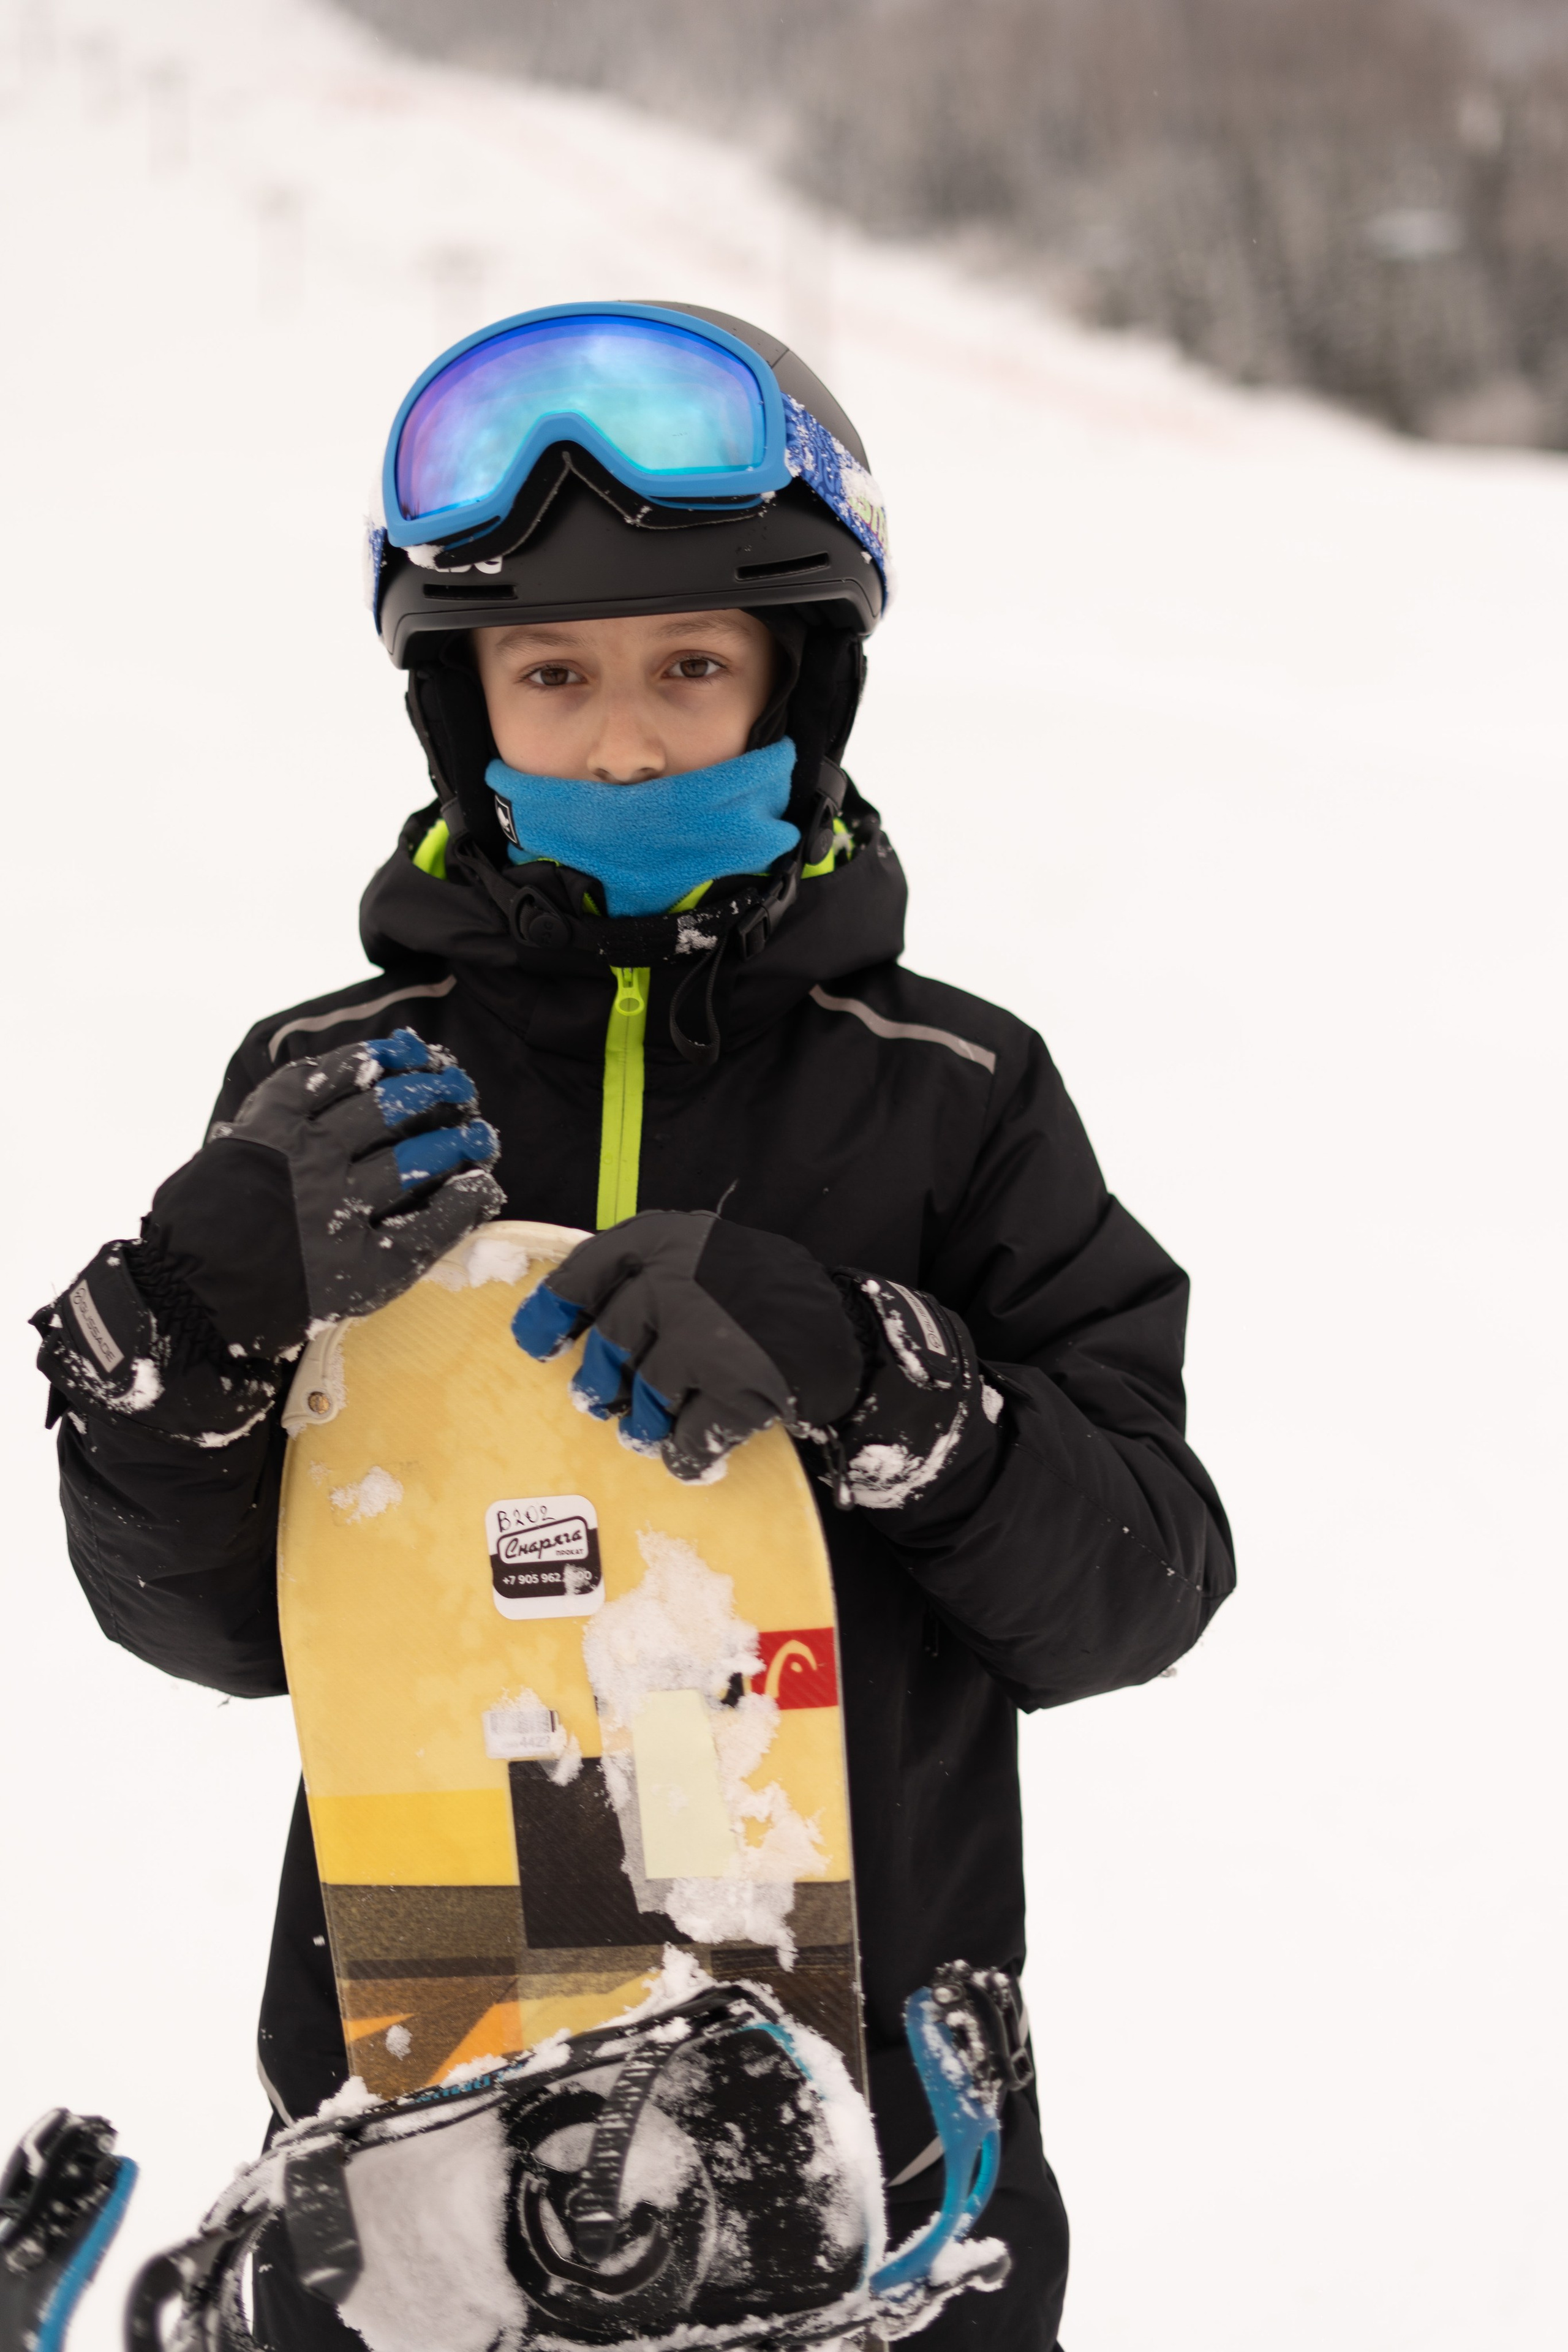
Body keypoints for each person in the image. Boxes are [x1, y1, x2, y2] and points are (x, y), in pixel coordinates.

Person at [32, 302, 1234, 2350]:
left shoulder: (954, 1091)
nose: (619, 737)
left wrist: (879, 1379)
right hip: (410, 2165)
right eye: (552, 672)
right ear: (460, 703)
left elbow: (1139, 1587)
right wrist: (190, 1328)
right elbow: (217, 1627)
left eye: (693, 667)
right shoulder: (328, 1084)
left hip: (880, 2164)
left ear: (803, 678)